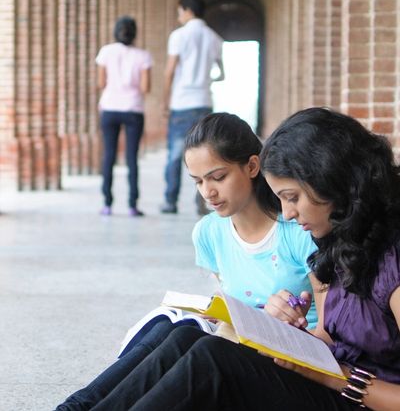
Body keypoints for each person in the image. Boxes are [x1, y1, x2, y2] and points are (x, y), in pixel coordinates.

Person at [74, 107, 400, 410]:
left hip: (358, 399)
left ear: (334, 181)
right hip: (332, 382)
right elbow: (331, 337)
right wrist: (286, 333)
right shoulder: (342, 242)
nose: (287, 212)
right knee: (187, 337)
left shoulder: (393, 264)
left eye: (292, 197)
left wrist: (333, 375)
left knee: (213, 361)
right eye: (282, 199)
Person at [55, 112, 318, 410]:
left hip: (286, 357)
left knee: (196, 346)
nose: (209, 192)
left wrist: (283, 321)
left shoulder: (299, 231)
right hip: (240, 341)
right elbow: (233, 302)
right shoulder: (209, 232)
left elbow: (331, 327)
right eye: (198, 182)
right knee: (175, 330)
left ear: (252, 165)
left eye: (218, 177)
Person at [160, 0, 224, 215]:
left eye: (179, 12)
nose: (179, 17)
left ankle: (170, 200)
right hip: (204, 102)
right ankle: (202, 199)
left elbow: (169, 72)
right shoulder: (214, 38)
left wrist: (165, 102)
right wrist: (206, 79)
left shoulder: (179, 36)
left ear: (188, 11)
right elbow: (221, 74)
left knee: (175, 155)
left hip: (182, 102)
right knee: (205, 155)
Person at [96, 16, 152, 217]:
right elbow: (146, 87)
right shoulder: (143, 56)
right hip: (133, 109)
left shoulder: (106, 52)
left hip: (109, 108)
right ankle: (132, 205)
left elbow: (101, 83)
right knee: (131, 158)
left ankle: (107, 204)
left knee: (109, 155)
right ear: (134, 33)